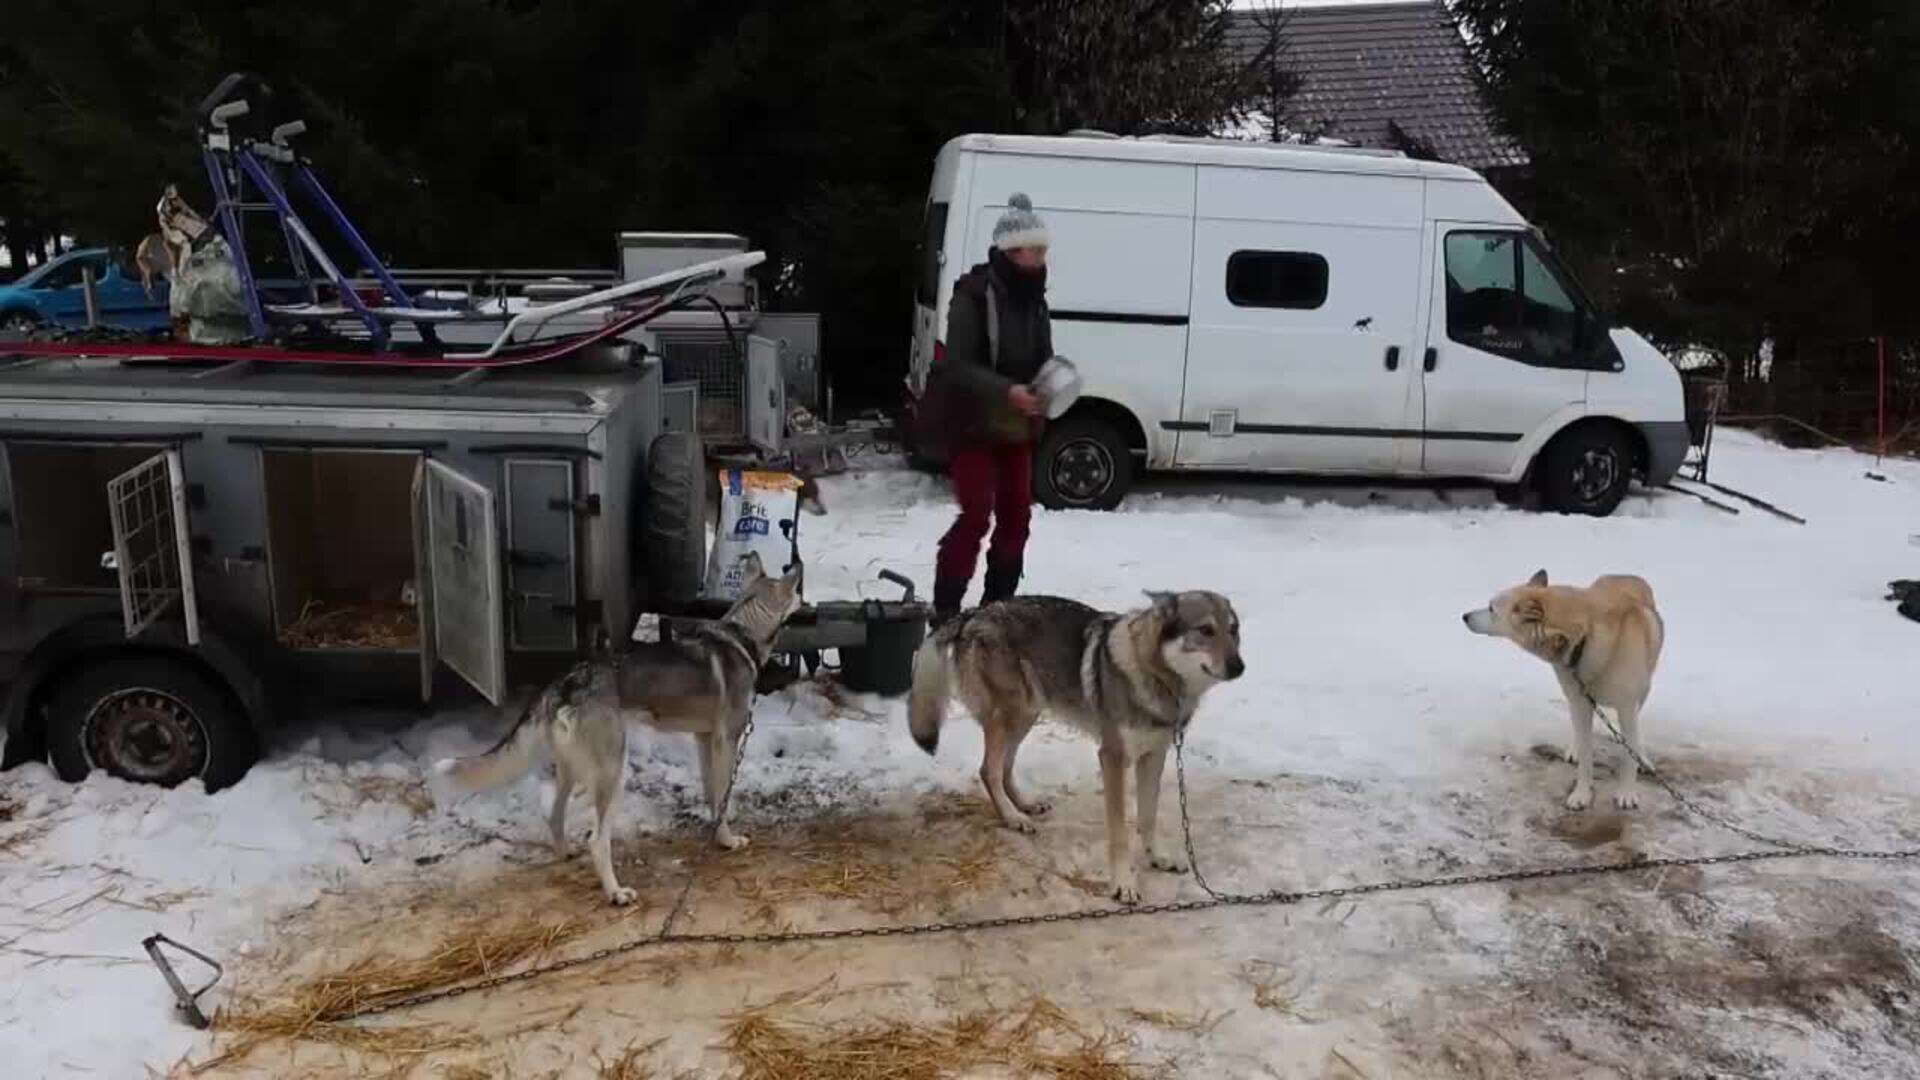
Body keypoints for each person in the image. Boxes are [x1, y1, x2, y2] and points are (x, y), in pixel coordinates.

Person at [929, 193, 1055, 625]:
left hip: (1016, 428)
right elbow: (958, 365)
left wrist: (1051, 383)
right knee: (977, 514)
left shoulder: (1035, 297)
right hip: (973, 425)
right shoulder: (973, 296)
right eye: (1034, 250)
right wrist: (1007, 391)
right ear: (1010, 250)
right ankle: (945, 609)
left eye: (1043, 250)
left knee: (1018, 517)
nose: (1041, 258)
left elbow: (1044, 355)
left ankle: (998, 608)